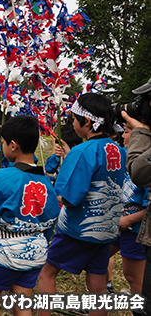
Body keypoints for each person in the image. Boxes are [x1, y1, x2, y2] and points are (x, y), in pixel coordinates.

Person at [38, 93, 126, 316]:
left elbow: (69, 197)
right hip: (107, 229)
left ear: (86, 122)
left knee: (46, 274)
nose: (73, 124)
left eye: (74, 119)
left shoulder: (82, 151)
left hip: (79, 229)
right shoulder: (119, 150)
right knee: (97, 285)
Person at [0, 115, 59, 316]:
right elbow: (52, 218)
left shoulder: (3, 177)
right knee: (22, 300)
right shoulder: (46, 181)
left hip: (7, 250)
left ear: (12, 145)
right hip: (36, 251)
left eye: (2, 142)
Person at [106, 122, 147, 296]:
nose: (123, 135)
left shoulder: (146, 166)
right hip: (119, 224)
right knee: (98, 257)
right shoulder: (127, 157)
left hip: (135, 229)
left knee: (134, 276)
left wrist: (128, 220)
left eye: (128, 132)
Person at [122, 76, 151, 314]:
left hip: (133, 228)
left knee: (138, 282)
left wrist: (142, 133)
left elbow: (139, 173)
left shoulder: (141, 143)